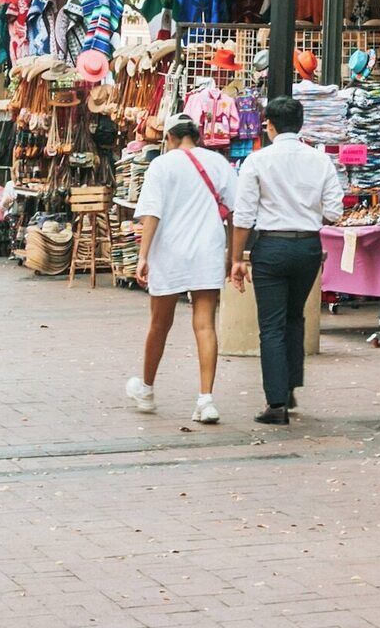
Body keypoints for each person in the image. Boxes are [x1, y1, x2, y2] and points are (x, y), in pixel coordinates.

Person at [226, 95, 343, 426]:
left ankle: (276, 402)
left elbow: (244, 215)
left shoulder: (257, 162)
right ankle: (289, 385)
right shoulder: (320, 161)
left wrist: (236, 259)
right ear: (301, 124)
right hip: (308, 246)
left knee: (272, 325)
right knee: (294, 317)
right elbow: (334, 212)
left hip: (272, 248)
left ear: (270, 126)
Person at [126, 115, 233, 423]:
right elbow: (235, 210)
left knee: (159, 324)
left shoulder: (162, 165)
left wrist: (143, 255)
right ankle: (206, 400)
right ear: (196, 137)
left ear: (170, 137)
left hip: (169, 251)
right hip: (207, 250)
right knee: (205, 324)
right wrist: (232, 253)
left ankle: (146, 390)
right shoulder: (218, 163)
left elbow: (152, 214)